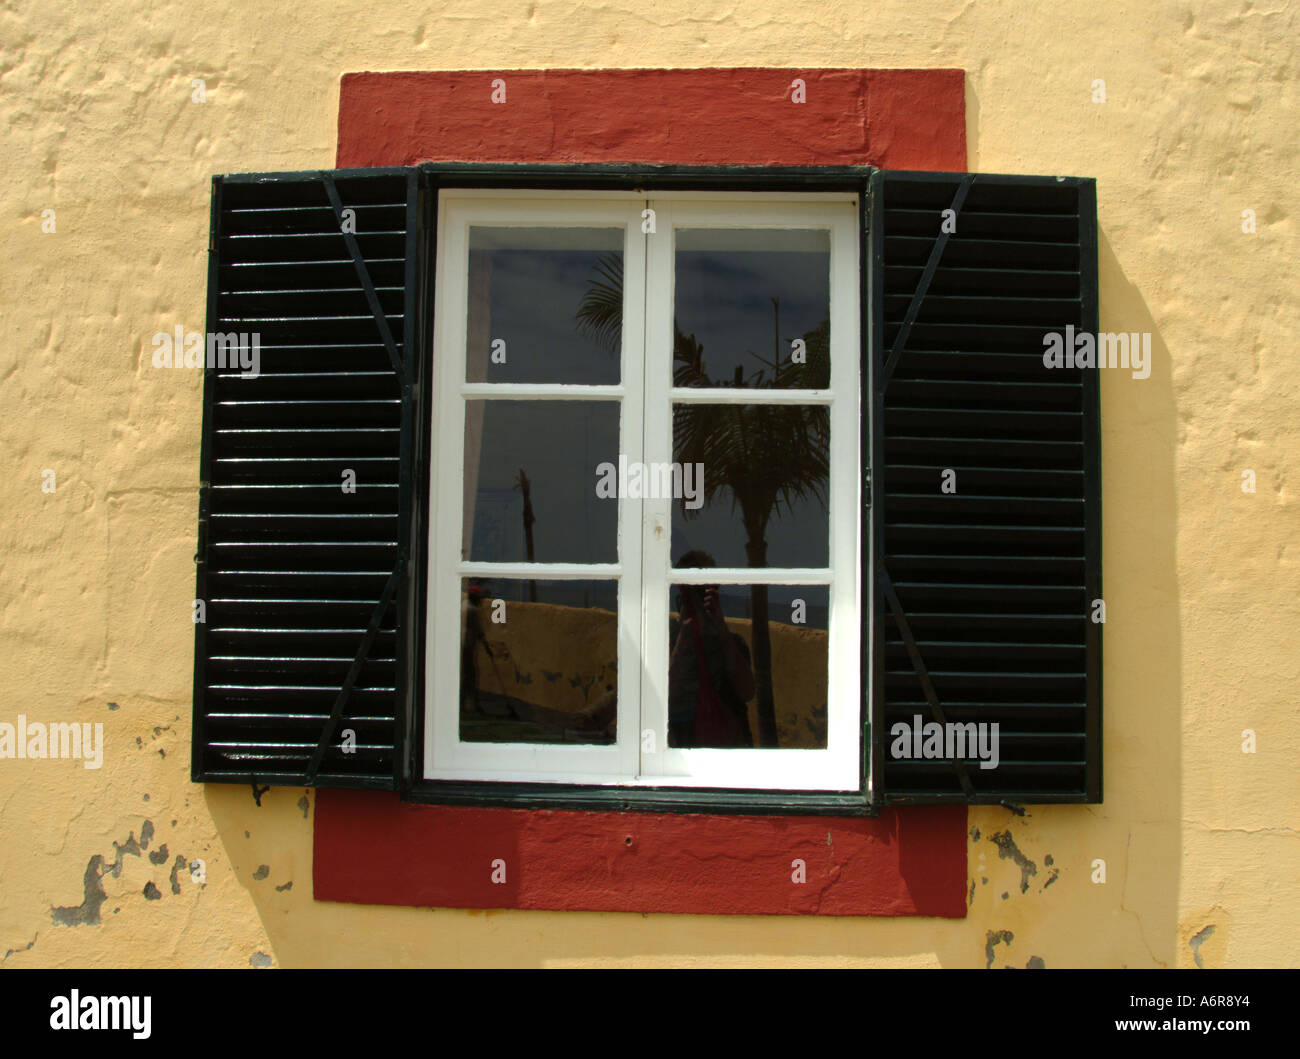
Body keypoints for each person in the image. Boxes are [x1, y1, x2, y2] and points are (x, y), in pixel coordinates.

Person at [668, 551, 756, 748]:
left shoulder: (732, 642)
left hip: (727, 749)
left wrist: (720, 629)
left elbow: (747, 691)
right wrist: (683, 640)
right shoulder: (667, 638)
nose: (699, 595)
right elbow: (661, 696)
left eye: (707, 587)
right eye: (694, 588)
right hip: (679, 749)